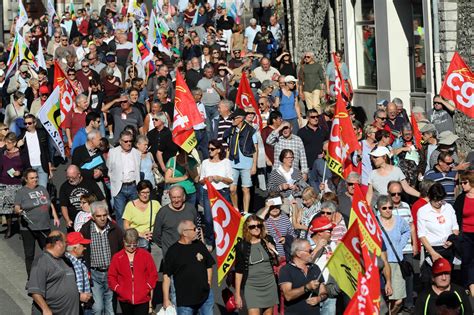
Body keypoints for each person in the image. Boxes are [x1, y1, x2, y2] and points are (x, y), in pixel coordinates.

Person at [80, 201, 124, 315]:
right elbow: (81, 250)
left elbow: (121, 248)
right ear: (93, 217)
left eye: (104, 215)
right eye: (99, 216)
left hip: (111, 272)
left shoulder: (114, 228)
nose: (102, 218)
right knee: (98, 307)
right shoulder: (86, 230)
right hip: (95, 274)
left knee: (110, 307)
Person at [162, 220, 215, 314]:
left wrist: (209, 283)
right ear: (184, 233)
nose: (197, 231)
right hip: (185, 302)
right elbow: (166, 277)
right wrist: (166, 299)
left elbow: (209, 265)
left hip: (205, 297)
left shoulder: (199, 245)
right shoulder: (173, 251)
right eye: (194, 229)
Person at [14, 168, 60, 278]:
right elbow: (16, 207)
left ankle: (51, 274)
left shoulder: (43, 189)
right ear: (26, 179)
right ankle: (31, 278)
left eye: (36, 177)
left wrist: (55, 216)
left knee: (48, 252)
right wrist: (18, 211)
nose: (35, 180)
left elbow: (50, 203)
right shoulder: (21, 192)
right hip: (28, 228)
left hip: (44, 226)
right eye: (32, 178)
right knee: (30, 255)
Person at [26, 231, 80, 315]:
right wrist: (45, 309)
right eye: (65, 242)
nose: (67, 245)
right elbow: (35, 291)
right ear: (58, 243)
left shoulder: (66, 260)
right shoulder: (41, 261)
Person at [234, 215, 279, 314]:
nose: (256, 228)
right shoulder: (241, 246)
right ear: (247, 229)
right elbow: (239, 271)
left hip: (269, 284)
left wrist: (272, 253)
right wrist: (237, 294)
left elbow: (276, 262)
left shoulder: (268, 240)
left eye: (258, 225)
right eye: (252, 226)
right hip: (252, 286)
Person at [108, 228, 158, 315]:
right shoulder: (117, 257)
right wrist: (118, 289)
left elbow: (153, 274)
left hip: (143, 298)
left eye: (134, 245)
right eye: (128, 245)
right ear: (124, 241)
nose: (131, 247)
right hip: (124, 299)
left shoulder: (145, 255)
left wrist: (147, 287)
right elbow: (111, 276)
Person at [418, 183, 459, 281]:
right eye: (436, 200)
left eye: (441, 200)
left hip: (448, 247)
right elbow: (421, 234)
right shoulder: (423, 211)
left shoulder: (448, 207)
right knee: (434, 278)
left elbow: (455, 227)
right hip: (433, 248)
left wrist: (452, 240)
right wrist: (432, 253)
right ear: (430, 197)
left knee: (447, 278)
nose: (439, 203)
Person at [377, 195, 410, 314]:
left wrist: (399, 246)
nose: (387, 210)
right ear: (378, 208)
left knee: (398, 300)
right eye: (384, 208)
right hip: (380, 263)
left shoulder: (399, 220)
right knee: (384, 298)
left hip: (396, 262)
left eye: (390, 207)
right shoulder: (374, 222)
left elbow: (407, 231)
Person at [279, 238, 328, 315]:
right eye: (310, 251)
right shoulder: (286, 270)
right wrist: (307, 287)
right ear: (298, 254)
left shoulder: (315, 268)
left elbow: (324, 292)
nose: (312, 253)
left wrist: (319, 298)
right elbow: (288, 296)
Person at [223, 108, 258, 213]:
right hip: (233, 162)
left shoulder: (251, 130)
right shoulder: (231, 130)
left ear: (241, 118)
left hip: (247, 163)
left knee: (245, 189)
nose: (232, 120)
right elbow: (229, 147)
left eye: (234, 118)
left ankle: (246, 212)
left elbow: (255, 149)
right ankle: (236, 209)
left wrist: (254, 165)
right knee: (232, 189)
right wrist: (226, 162)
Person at [199, 139, 233, 247]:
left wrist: (220, 178)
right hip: (208, 192)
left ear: (218, 150)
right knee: (209, 219)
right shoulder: (205, 162)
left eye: (212, 149)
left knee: (224, 219)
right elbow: (200, 180)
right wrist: (206, 179)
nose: (210, 151)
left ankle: (224, 240)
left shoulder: (226, 162)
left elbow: (230, 180)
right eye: (208, 149)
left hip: (222, 192)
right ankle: (210, 241)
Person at [107, 130, 141, 228]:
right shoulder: (113, 152)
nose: (128, 143)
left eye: (130, 141)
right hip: (119, 187)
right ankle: (122, 238)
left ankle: (135, 235)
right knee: (120, 213)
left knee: (135, 212)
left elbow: (138, 169)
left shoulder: (136, 153)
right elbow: (109, 169)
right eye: (126, 141)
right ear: (120, 141)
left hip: (133, 186)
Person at [152, 186, 198, 257]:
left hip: (189, 252)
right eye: (173, 197)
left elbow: (196, 228)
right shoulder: (163, 212)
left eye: (179, 197)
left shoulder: (191, 209)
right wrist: (165, 247)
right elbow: (156, 235)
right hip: (171, 255)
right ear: (170, 197)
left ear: (183, 197)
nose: (176, 200)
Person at [59, 165, 105, 232]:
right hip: (74, 221)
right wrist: (67, 220)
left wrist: (105, 213)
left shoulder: (90, 183)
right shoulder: (64, 187)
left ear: (79, 175)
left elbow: (102, 199)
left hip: (92, 218)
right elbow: (63, 206)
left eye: (73, 177)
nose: (71, 180)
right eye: (68, 177)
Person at [0, 132, 26, 238]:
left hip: (16, 184)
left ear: (15, 143)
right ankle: (9, 229)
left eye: (9, 143)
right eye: (6, 142)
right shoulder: (3, 152)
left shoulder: (21, 154)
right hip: (4, 183)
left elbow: (26, 168)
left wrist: (20, 173)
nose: (7, 144)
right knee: (7, 210)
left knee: (18, 208)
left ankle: (21, 229)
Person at [123, 180, 161, 250]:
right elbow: (126, 226)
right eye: (143, 192)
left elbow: (162, 222)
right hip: (136, 240)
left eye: (147, 192)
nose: (145, 195)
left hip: (152, 240)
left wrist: (154, 233)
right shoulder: (130, 205)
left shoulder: (155, 204)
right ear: (138, 193)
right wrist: (140, 234)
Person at [18, 114, 52, 188]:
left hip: (42, 166)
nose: (27, 125)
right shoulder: (22, 136)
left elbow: (46, 151)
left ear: (35, 123)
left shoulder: (41, 133)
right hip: (29, 167)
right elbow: (15, 151)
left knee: (42, 190)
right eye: (25, 123)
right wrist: (18, 145)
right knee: (31, 190)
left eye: (29, 123)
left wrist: (50, 169)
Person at [454, 171, 474, 296]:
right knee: (467, 260)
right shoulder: (461, 198)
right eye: (461, 182)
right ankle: (466, 284)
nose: (462, 185)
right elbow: (455, 215)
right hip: (466, 233)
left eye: (465, 182)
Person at [64, 232, 93, 315]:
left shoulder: (81, 261)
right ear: (74, 248)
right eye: (82, 245)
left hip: (86, 305)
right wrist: (78, 296)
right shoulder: (66, 263)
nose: (85, 248)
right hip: (74, 306)